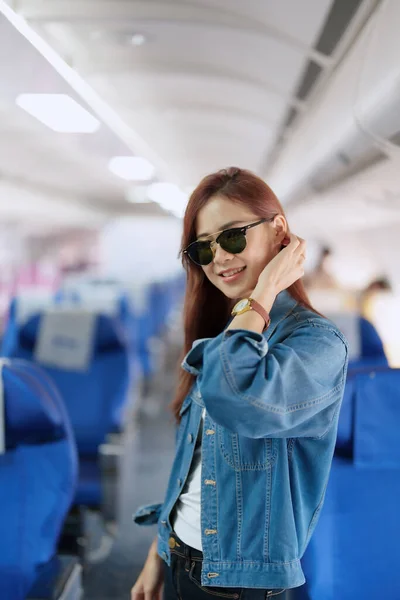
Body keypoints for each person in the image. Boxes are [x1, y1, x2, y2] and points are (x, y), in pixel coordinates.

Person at [131, 167, 348, 600]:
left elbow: (238, 396)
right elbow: (191, 463)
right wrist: (159, 549)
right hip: (181, 557)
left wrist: (264, 290)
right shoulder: (227, 330)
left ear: (279, 231)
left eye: (232, 237)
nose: (220, 258)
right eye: (203, 249)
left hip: (237, 585)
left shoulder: (316, 343)